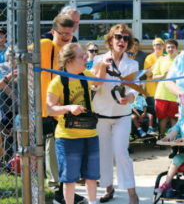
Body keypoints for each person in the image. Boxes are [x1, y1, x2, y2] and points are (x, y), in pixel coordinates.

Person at [30, 14, 86, 203]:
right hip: (47, 111)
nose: (65, 38)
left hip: (66, 110)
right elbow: (22, 56)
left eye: (69, 34)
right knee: (55, 153)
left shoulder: (69, 51)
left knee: (68, 154)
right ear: (53, 32)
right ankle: (55, 192)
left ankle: (64, 192)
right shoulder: (46, 46)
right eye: (62, 34)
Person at [47, 43, 102, 204]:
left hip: (90, 134)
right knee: (69, 178)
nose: (86, 58)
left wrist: (104, 64)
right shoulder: (57, 82)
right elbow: (50, 109)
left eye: (86, 55)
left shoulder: (86, 75)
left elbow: (101, 81)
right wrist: (69, 108)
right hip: (67, 137)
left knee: (91, 176)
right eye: (82, 56)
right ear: (69, 60)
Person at [91, 23, 139, 204]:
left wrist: (130, 98)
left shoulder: (133, 63)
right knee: (103, 153)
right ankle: (108, 187)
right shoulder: (99, 60)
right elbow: (96, 85)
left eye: (126, 38)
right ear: (110, 40)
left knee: (121, 153)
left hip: (122, 116)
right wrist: (102, 66)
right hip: (101, 115)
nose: (122, 41)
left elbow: (135, 89)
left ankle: (132, 193)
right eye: (118, 37)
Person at [153, 39, 179, 138]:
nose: (170, 49)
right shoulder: (161, 60)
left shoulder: (180, 60)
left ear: (176, 48)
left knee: (174, 118)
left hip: (175, 94)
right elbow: (154, 77)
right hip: (162, 94)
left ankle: (173, 139)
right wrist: (163, 75)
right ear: (165, 49)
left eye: (172, 47)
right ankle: (162, 137)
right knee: (162, 118)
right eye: (168, 47)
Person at [144, 38, 165, 118]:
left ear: (164, 46)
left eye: (160, 44)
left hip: (164, 90)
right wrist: (158, 62)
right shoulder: (149, 58)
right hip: (152, 90)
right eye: (156, 44)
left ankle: (161, 129)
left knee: (162, 112)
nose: (158, 46)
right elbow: (147, 74)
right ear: (153, 47)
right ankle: (152, 129)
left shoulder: (166, 57)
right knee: (153, 112)